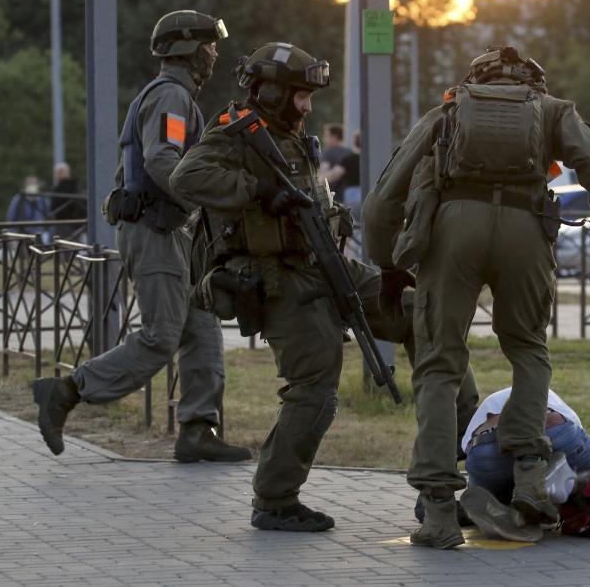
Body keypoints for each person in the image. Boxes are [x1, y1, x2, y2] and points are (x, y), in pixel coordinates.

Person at [168, 41, 480, 533]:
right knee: (316, 389)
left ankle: (447, 469)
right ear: (270, 91)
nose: (308, 106)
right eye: (299, 95)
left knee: (424, 313)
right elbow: (187, 175)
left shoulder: (286, 133)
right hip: (280, 280)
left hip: (328, 264)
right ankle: (274, 499)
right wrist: (258, 193)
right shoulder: (235, 133)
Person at [363, 46, 590, 549]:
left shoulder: (447, 113)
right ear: (532, 85)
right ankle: (530, 478)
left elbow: (383, 198)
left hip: (452, 231)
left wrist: (389, 264)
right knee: (527, 350)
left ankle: (438, 511)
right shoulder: (551, 110)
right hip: (525, 231)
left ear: (474, 83)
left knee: (439, 363)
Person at [31, 10, 251, 464]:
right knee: (161, 336)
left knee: (203, 328)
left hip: (173, 230)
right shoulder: (170, 96)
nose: (214, 53)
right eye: (209, 45)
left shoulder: (179, 96)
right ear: (186, 49)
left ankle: (197, 429)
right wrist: (215, 195)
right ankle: (67, 390)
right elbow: (163, 161)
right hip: (155, 229)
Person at [458, 386, 590, 541]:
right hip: (550, 426)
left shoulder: (490, 404)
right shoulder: (546, 391)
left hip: (483, 447)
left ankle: (505, 508)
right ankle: (556, 483)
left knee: (483, 493)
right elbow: (573, 430)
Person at [7, 175, 51, 242]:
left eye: (34, 184)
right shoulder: (18, 200)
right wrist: (12, 236)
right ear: (25, 185)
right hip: (22, 235)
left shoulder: (43, 200)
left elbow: (49, 217)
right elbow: (10, 219)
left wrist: (48, 234)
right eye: (30, 183)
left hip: (40, 236)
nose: (32, 186)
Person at [50, 163, 87, 238]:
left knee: (60, 245)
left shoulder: (61, 189)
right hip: (77, 224)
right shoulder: (76, 186)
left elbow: (56, 206)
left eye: (56, 173)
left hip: (64, 224)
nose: (55, 175)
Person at [317, 123, 350, 190]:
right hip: (346, 193)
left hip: (331, 193)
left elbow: (323, 170)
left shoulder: (328, 152)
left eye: (326, 136)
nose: (324, 139)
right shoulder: (348, 152)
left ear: (333, 137)